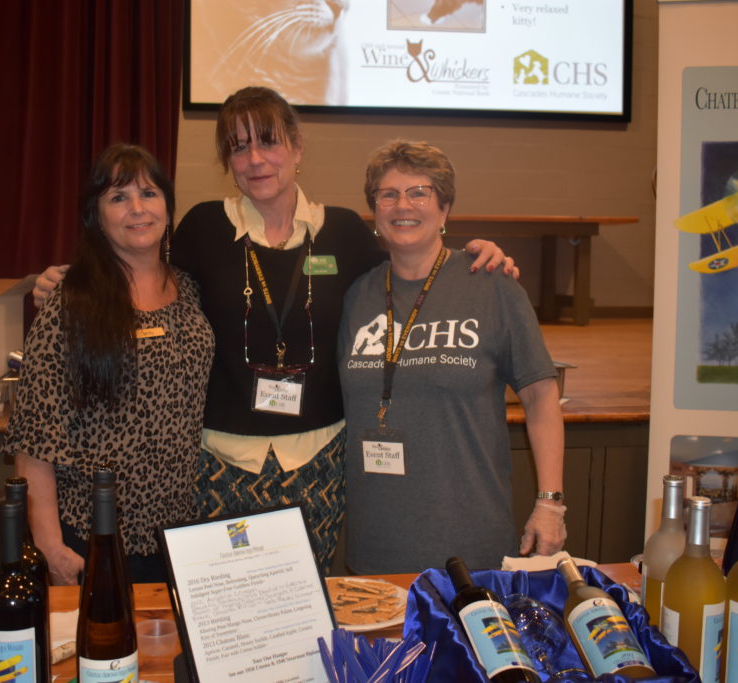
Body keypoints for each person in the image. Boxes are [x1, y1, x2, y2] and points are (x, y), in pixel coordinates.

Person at [31, 86, 517, 574]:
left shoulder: (344, 232)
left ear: (297, 148)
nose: (256, 159)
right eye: (239, 147)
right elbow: (139, 269)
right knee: (226, 602)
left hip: (319, 464)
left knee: (304, 600)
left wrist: (473, 256)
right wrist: (71, 280)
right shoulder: (203, 228)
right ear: (228, 161)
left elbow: (413, 271)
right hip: (216, 466)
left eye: (268, 142)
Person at [337, 140, 565, 573]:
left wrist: (550, 504)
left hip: (471, 542)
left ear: (444, 209)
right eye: (388, 194)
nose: (403, 205)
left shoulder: (491, 283)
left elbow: (541, 396)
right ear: (375, 211)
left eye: (419, 192)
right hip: (375, 545)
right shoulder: (356, 296)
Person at [3, 144, 214, 585]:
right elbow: (35, 437)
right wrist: (50, 547)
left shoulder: (191, 290)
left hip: (179, 537)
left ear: (168, 206)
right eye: (119, 197)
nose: (137, 208)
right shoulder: (70, 302)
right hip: (92, 538)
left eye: (149, 193)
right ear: (96, 216)